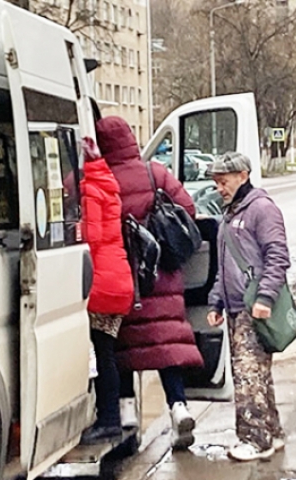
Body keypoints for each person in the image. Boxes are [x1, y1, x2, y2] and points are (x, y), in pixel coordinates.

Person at [95, 116, 204, 450]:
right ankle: (178, 407)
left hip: (125, 277)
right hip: (162, 275)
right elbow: (188, 207)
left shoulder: (103, 179)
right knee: (164, 345)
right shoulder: (153, 172)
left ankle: (127, 416)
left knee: (123, 347)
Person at [207, 151, 290, 462]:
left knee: (247, 375)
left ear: (243, 175)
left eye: (223, 181)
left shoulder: (261, 210)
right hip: (237, 307)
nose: (219, 188)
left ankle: (255, 440)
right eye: (216, 183)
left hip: (252, 307)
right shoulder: (231, 214)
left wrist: (265, 298)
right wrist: (216, 300)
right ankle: (273, 431)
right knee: (257, 374)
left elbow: (278, 256)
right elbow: (224, 267)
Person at [79, 137, 134, 444]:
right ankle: (110, 417)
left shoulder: (89, 189)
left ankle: (108, 419)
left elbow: (92, 237)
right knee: (106, 352)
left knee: (102, 354)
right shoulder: (108, 183)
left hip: (102, 281)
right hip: (117, 277)